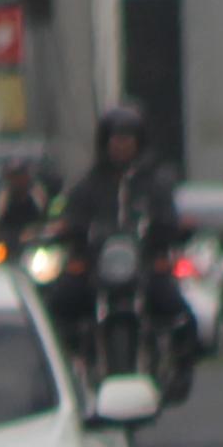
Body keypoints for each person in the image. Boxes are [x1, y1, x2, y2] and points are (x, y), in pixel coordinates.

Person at [48, 102, 192, 368]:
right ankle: (67, 363)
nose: (121, 145)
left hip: (145, 264)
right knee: (58, 303)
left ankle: (179, 366)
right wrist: (67, 230)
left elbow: (169, 218)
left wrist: (174, 230)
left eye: (127, 139)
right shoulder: (87, 184)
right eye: (116, 138)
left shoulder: (155, 184)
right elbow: (72, 217)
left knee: (180, 311)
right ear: (105, 142)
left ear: (139, 143)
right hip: (95, 266)